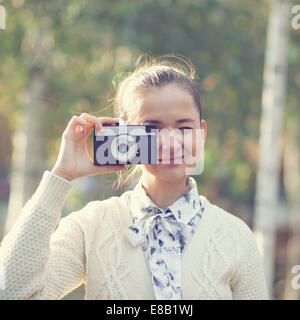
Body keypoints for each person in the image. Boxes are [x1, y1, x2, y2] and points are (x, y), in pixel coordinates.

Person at [0, 54, 269, 300]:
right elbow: (11, 292)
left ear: (203, 132)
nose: (170, 142)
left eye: (184, 127)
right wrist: (61, 176)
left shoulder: (235, 236)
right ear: (125, 137)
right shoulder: (90, 227)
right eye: (151, 128)